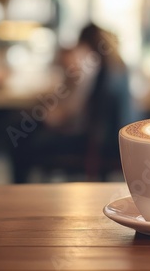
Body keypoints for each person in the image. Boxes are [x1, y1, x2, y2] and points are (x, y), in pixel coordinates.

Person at [11, 23, 135, 183]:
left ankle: (19, 187)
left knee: (23, 138)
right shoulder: (117, 70)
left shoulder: (99, 74)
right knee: (25, 130)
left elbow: (73, 115)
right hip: (112, 143)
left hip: (94, 147)